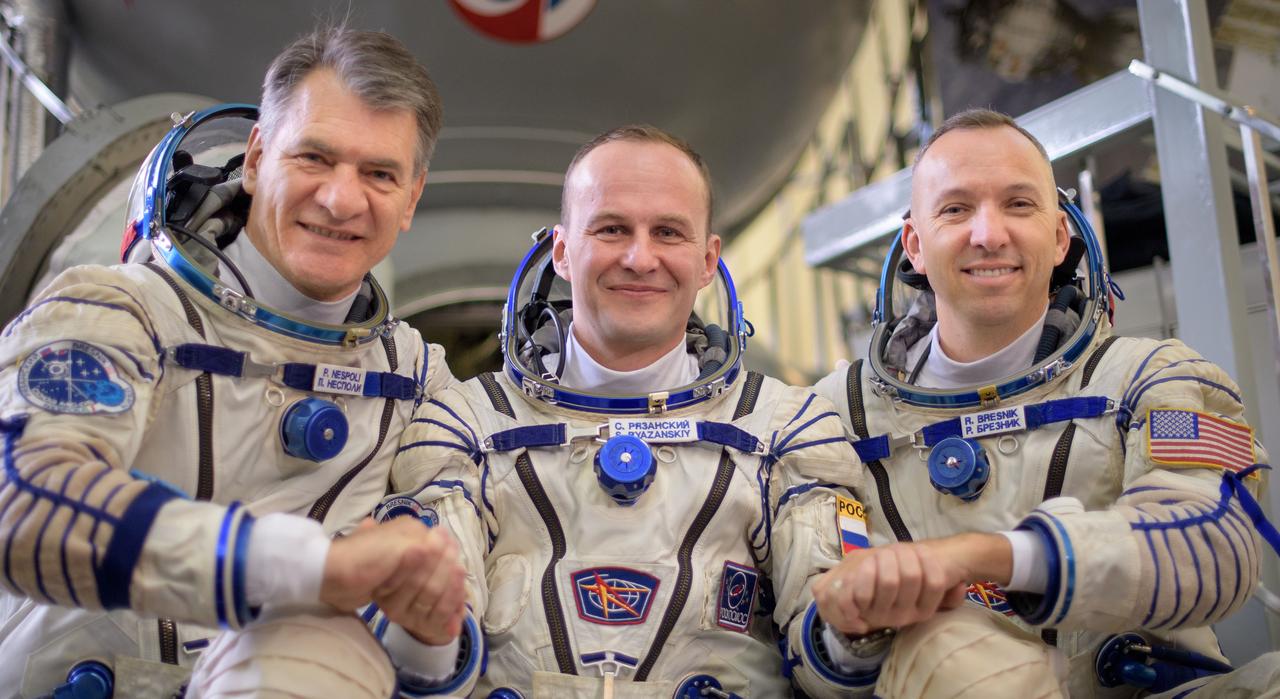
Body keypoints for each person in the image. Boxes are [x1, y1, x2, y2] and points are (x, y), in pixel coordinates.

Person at [0, 28, 465, 698]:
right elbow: (25, 505)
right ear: (255, 158)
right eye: (315, 157)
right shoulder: (118, 311)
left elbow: (437, 619)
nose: (341, 199)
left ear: (412, 199)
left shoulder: (417, 381)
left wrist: (430, 635)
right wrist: (299, 567)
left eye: (379, 174)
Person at [367, 125, 894, 697]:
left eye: (668, 232)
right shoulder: (466, 423)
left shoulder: (785, 429)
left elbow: (834, 668)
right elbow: (428, 663)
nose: (640, 258)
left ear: (707, 260)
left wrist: (854, 628)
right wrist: (424, 627)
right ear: (562, 252)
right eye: (612, 228)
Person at [810, 108, 1279, 697]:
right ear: (915, 245)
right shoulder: (835, 414)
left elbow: (1214, 550)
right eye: (955, 209)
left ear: (1060, 237)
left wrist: (992, 557)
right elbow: (803, 628)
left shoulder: (1153, 377)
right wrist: (850, 632)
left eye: (1018, 204)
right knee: (946, 654)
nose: (988, 234)